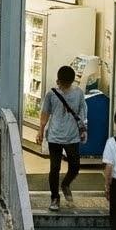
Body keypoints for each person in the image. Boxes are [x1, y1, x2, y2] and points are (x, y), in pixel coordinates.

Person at [36, 64, 88, 211]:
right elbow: (45, 113)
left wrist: (83, 129)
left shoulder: (78, 93)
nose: (64, 85)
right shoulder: (51, 94)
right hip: (55, 136)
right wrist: (40, 130)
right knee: (54, 168)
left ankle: (65, 184)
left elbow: (82, 113)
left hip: (72, 136)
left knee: (75, 167)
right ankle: (54, 197)